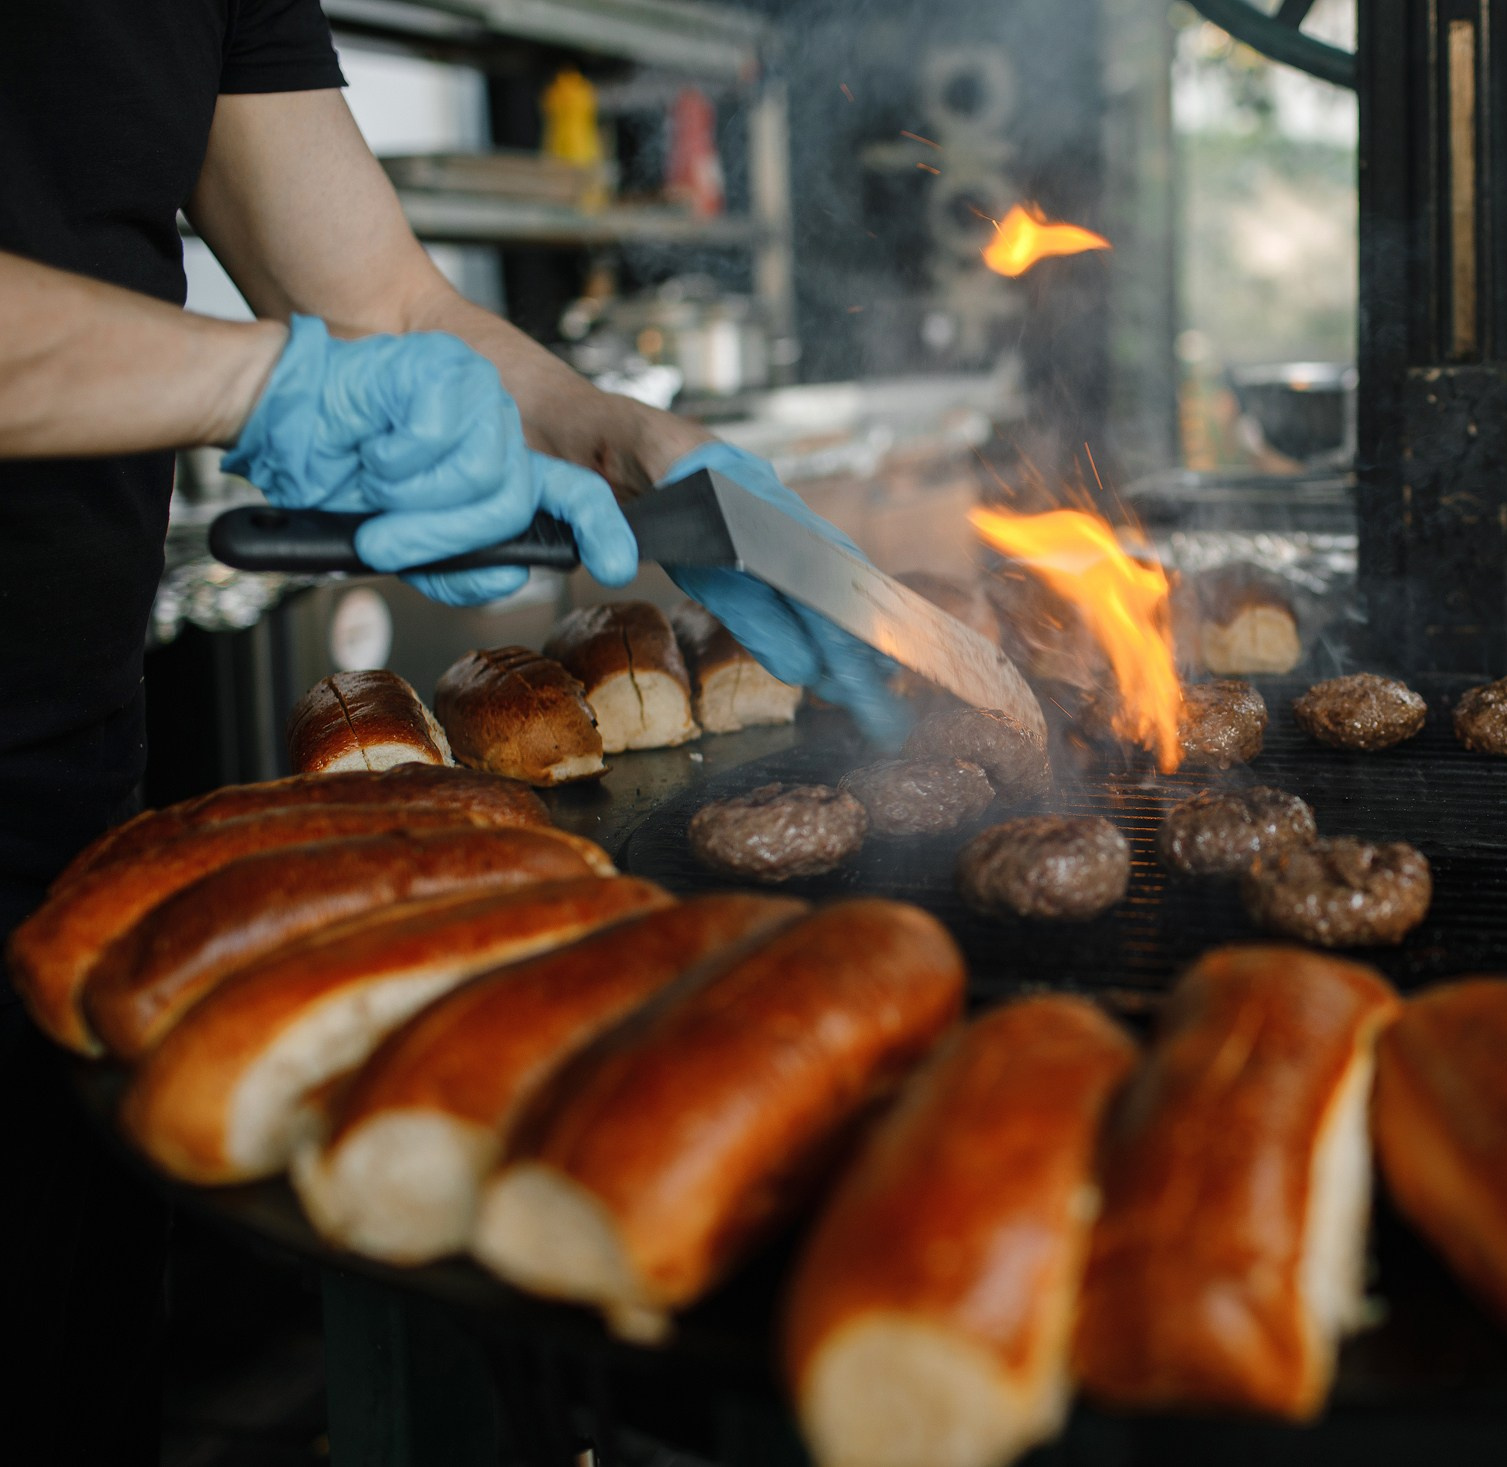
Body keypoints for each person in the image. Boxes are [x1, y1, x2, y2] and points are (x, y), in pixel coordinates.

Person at [0, 1, 898, 1456]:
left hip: (62, 765)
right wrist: (262, 381)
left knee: (58, 1353)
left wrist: (624, 442)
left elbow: (386, 303)